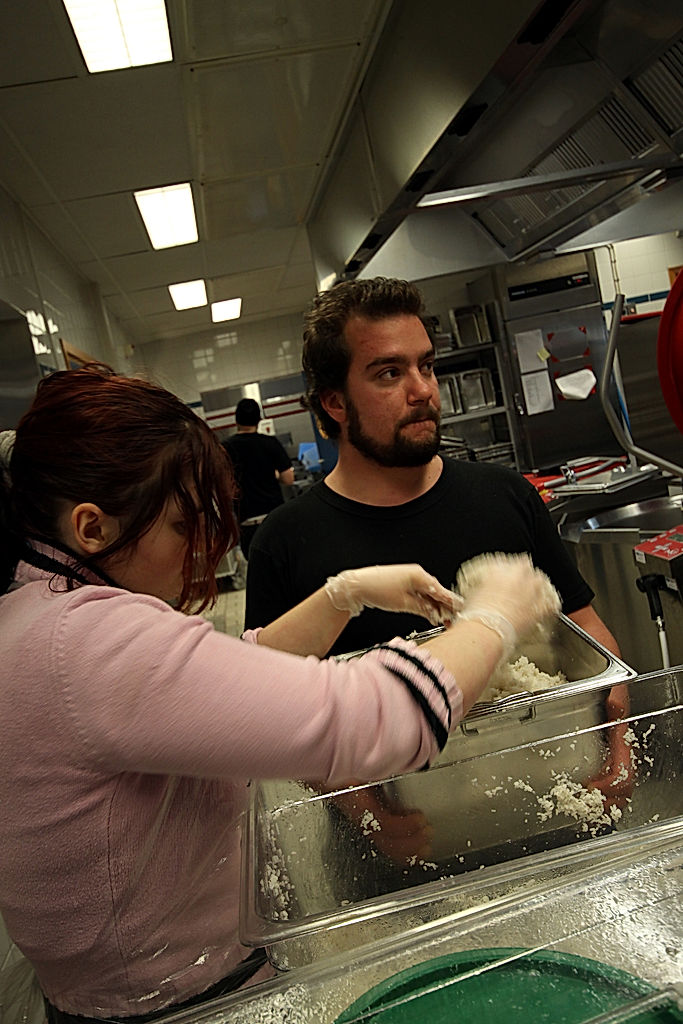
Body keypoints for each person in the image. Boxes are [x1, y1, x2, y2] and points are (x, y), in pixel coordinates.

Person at [0, 365, 556, 1024]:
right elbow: (374, 719)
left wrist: (341, 595)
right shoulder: (87, 642)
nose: (201, 553)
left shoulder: (38, 617)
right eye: (181, 526)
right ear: (91, 528)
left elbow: (216, 687)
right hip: (180, 1005)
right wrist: (493, 618)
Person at [244, 276, 631, 799]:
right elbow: (279, 716)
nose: (423, 389)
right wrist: (365, 813)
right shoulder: (284, 541)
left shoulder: (506, 495)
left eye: (426, 366)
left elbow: (589, 634)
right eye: (389, 373)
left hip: (558, 788)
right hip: (408, 825)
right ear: (334, 403)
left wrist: (619, 742)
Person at [222, 397, 294, 558]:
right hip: (275, 520)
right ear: (259, 420)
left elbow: (222, 486)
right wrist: (273, 474)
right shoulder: (270, 443)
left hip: (248, 525)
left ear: (236, 420)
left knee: (259, 570)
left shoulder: (225, 448)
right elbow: (289, 479)